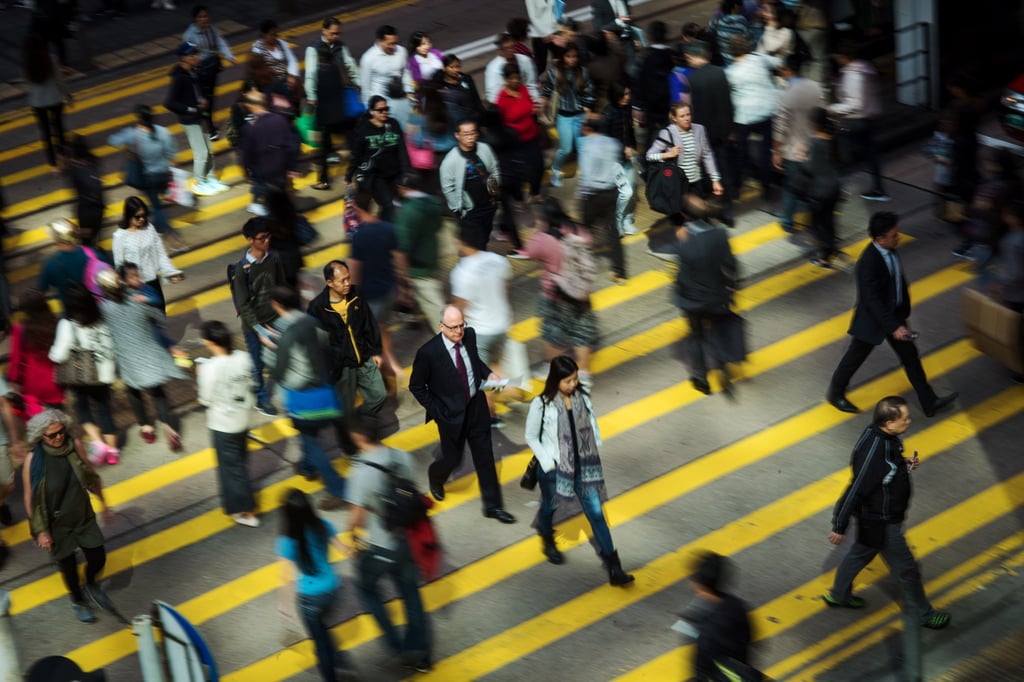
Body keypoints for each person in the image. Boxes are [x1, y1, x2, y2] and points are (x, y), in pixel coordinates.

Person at [826, 396, 952, 634]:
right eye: (904, 418)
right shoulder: (876, 451)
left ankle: (839, 594)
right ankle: (925, 614)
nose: (909, 421)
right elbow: (856, 487)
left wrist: (903, 464)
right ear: (889, 422)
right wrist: (839, 525)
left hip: (876, 518)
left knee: (860, 553)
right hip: (882, 522)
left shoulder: (882, 437)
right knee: (907, 570)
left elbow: (885, 467)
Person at [826, 212, 959, 416]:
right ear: (880, 239)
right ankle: (835, 393)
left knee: (911, 358)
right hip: (874, 320)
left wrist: (900, 313)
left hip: (894, 315)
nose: (898, 238)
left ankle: (929, 402)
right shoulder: (868, 262)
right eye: (893, 235)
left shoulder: (890, 250)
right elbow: (872, 301)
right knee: (855, 357)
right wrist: (894, 327)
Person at [524, 355, 634, 585]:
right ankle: (547, 538)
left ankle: (614, 568)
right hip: (555, 468)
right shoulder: (541, 404)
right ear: (556, 381)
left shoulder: (581, 396)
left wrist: (593, 444)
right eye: (568, 381)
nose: (573, 384)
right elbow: (531, 437)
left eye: (575, 379)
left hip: (584, 466)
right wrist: (547, 463)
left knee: (596, 514)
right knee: (549, 506)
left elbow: (590, 421)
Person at [409, 305, 516, 524]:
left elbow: (474, 362)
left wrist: (489, 374)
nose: (459, 331)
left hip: (476, 407)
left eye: (461, 325)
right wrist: (438, 411)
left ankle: (493, 506)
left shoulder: (470, 336)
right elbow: (416, 386)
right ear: (441, 327)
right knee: (453, 459)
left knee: (486, 458)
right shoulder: (428, 353)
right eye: (453, 327)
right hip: (450, 416)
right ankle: (436, 476)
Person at [344, 419, 432, 674]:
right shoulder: (401, 457)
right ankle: (421, 654)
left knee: (366, 589)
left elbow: (357, 518)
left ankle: (397, 646)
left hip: (380, 545)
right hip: (407, 539)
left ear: (358, 435)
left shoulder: (359, 472)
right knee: (411, 595)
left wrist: (351, 536)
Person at [23, 409, 113, 623]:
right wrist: (41, 531)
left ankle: (91, 583)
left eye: (60, 431)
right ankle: (78, 600)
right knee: (68, 567)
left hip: (82, 514)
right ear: (40, 437)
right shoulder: (33, 459)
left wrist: (104, 503)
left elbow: (91, 476)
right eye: (51, 435)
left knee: (98, 556)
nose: (58, 437)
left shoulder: (75, 446)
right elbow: (30, 497)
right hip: (56, 524)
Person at [265, 287, 349, 511]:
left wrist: (272, 346)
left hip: (303, 397)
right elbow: (328, 348)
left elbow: (280, 370)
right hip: (326, 391)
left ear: (277, 305)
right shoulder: (314, 322)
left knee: (311, 442)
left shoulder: (288, 334)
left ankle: (337, 488)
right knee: (308, 438)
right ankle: (306, 467)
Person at [97, 270, 186, 450]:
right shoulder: (136, 303)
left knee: (134, 392)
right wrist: (145, 301)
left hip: (126, 359)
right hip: (149, 354)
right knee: (158, 393)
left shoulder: (103, 310)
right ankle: (169, 428)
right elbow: (160, 319)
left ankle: (146, 427)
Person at [276, 488, 357, 681]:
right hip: (331, 588)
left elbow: (285, 578)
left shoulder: (287, 541)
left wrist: (284, 606)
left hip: (310, 598)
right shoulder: (322, 525)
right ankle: (340, 662)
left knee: (319, 643)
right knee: (322, 628)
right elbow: (345, 550)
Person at [524, 197, 598, 379]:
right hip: (581, 292)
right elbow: (589, 246)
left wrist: (538, 230)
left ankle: (553, 369)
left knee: (552, 333)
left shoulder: (544, 238)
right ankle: (584, 373)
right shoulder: (579, 230)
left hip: (556, 295)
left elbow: (529, 252)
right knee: (582, 332)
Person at [672, 197, 739, 397]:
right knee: (717, 332)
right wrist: (733, 289)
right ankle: (723, 366)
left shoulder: (684, 242)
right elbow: (732, 266)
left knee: (696, 337)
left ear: (684, 216)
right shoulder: (720, 235)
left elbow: (682, 277)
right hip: (717, 296)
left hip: (692, 301)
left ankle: (701, 379)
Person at [308, 260, 387, 425]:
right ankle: (351, 436)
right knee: (346, 409)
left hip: (364, 356)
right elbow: (316, 342)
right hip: (342, 367)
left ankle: (362, 421)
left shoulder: (357, 294)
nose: (347, 283)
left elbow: (369, 323)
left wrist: (376, 351)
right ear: (329, 282)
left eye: (348, 278)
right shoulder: (317, 308)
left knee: (379, 395)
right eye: (342, 280)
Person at [48, 282, 119, 466]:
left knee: (83, 410)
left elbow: (60, 353)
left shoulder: (68, 324)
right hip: (105, 371)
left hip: (82, 376)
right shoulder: (101, 316)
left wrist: (52, 355)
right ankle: (113, 452)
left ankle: (98, 442)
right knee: (104, 410)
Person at [197, 320, 259, 528]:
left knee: (232, 469)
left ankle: (246, 510)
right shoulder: (243, 357)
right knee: (239, 461)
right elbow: (251, 383)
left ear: (209, 342)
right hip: (243, 418)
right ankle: (239, 504)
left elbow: (205, 399)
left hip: (222, 424)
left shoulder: (209, 368)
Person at [450, 227, 514, 425]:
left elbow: (460, 308)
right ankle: (508, 393)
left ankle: (492, 415)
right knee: (494, 369)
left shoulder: (461, 272)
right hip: (501, 325)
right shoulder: (498, 260)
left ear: (461, 242)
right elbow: (505, 289)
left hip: (480, 333)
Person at [347, 196, 407, 384]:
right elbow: (400, 260)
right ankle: (392, 363)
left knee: (371, 336)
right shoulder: (389, 228)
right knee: (383, 328)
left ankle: (383, 371)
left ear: (356, 207)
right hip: (389, 290)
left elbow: (355, 271)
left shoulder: (359, 236)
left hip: (370, 296)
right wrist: (403, 285)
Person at [232, 217, 286, 416]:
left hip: (275, 319)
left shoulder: (274, 259)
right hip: (253, 326)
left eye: (268, 237)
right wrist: (260, 330)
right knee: (258, 364)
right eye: (261, 238)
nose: (266, 242)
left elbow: (281, 287)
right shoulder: (242, 270)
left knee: (282, 356)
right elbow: (243, 305)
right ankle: (261, 397)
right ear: (249, 240)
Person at [108, 105, 181, 246]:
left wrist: (128, 147)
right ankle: (159, 226)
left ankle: (172, 234)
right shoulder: (163, 132)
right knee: (157, 203)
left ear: (139, 119)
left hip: (148, 178)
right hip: (164, 175)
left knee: (156, 207)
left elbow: (112, 140)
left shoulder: (133, 134)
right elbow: (171, 155)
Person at [305, 17, 361, 191]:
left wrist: (358, 83)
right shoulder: (313, 49)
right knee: (326, 142)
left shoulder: (340, 47)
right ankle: (325, 179)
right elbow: (310, 74)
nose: (335, 36)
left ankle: (358, 172)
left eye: (338, 33)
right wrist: (311, 95)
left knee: (350, 139)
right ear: (324, 31)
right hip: (325, 100)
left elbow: (350, 65)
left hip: (340, 98)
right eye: (332, 33)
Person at [165, 41, 228, 197]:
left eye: (196, 54)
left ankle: (210, 178)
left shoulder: (193, 71)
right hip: (190, 120)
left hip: (201, 116)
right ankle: (199, 183)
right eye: (192, 55)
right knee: (201, 153)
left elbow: (196, 92)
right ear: (183, 58)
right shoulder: (179, 77)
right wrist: (191, 109)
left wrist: (202, 101)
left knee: (209, 150)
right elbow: (169, 103)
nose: (196, 57)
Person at [772, 53, 824, 236]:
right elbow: (822, 114)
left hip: (792, 150)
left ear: (787, 70)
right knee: (813, 185)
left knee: (791, 186)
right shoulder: (815, 88)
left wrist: (776, 151)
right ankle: (816, 221)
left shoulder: (785, 96)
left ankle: (787, 221)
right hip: (813, 146)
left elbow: (780, 128)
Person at [493, 62, 544, 250]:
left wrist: (534, 109)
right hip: (516, 143)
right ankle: (520, 198)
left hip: (532, 137)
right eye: (511, 78)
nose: (515, 81)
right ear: (505, 79)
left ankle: (534, 191)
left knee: (538, 165)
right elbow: (502, 122)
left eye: (517, 77)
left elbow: (530, 105)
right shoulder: (501, 99)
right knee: (523, 171)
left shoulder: (523, 89)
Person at [828, 41, 888, 201]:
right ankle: (878, 189)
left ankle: (835, 191)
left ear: (844, 57)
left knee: (841, 156)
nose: (836, 59)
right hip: (869, 119)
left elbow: (855, 103)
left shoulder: (854, 75)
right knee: (870, 155)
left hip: (854, 121)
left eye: (837, 57)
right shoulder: (866, 69)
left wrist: (834, 108)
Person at [684, 40, 734, 225]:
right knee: (724, 171)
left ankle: (706, 212)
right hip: (721, 133)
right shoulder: (720, 72)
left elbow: (694, 112)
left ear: (693, 56)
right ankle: (727, 211)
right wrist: (729, 129)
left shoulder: (693, 80)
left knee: (706, 174)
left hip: (703, 136)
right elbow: (727, 104)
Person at [645, 101, 724, 216]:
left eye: (688, 114)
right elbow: (649, 155)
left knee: (698, 215)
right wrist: (668, 154)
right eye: (682, 116)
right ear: (674, 118)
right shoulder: (667, 133)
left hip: (696, 181)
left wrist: (715, 180)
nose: (687, 118)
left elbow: (707, 155)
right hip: (678, 185)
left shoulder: (700, 129)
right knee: (688, 216)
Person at [725, 34, 778, 201]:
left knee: (740, 153)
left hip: (744, 116)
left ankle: (737, 187)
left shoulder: (730, 72)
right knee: (766, 150)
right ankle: (767, 187)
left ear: (730, 52)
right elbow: (779, 63)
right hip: (767, 111)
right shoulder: (759, 59)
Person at [687, 552, 756, 681]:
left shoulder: (706, 627)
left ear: (700, 585)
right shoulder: (737, 605)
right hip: (742, 670)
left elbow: (702, 669)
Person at [112, 196, 184, 313]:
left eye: (144, 216)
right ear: (129, 216)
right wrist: (126, 290)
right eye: (137, 217)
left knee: (160, 315)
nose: (141, 219)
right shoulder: (120, 236)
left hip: (153, 282)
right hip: (135, 287)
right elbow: (119, 265)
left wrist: (171, 272)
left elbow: (160, 254)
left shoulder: (149, 229)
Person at [345, 95, 410, 223]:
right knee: (388, 206)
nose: (385, 112)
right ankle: (382, 232)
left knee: (390, 207)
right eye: (380, 110)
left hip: (393, 174)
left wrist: (405, 171)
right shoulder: (363, 130)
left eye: (387, 108)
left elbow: (402, 149)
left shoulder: (393, 124)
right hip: (375, 176)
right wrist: (349, 176)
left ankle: (381, 228)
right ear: (371, 112)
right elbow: (356, 155)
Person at [578, 116, 627, 283]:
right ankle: (620, 272)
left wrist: (582, 197)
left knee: (583, 231)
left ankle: (581, 269)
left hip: (592, 195)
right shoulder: (614, 143)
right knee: (613, 232)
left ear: (588, 128)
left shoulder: (586, 146)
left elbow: (586, 173)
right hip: (611, 192)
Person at [439, 119, 500, 249]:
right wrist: (458, 209)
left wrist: (496, 187)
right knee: (475, 243)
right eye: (466, 134)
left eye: (473, 133)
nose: (471, 137)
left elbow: (494, 168)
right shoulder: (451, 160)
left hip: (490, 204)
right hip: (470, 210)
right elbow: (448, 188)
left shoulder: (485, 149)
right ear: (457, 135)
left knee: (485, 237)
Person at [239, 90, 301, 216]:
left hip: (262, 173)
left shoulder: (250, 127)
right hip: (280, 169)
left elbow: (246, 155)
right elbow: (292, 145)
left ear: (251, 106)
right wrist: (292, 167)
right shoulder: (280, 120)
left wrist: (247, 173)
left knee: (272, 205)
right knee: (280, 198)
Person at [794, 107, 842, 268]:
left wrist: (801, 156)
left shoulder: (815, 143)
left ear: (814, 124)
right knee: (828, 220)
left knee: (818, 223)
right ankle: (831, 247)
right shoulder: (832, 137)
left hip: (820, 191)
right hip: (834, 187)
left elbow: (811, 168)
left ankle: (824, 256)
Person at [542, 43, 595, 188]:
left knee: (582, 148)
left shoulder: (583, 72)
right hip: (563, 117)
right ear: (562, 57)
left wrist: (587, 109)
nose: (572, 59)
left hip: (579, 115)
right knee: (565, 149)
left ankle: (587, 176)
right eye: (568, 56)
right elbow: (546, 91)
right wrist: (543, 104)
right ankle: (556, 170)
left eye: (575, 56)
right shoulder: (555, 73)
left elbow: (590, 91)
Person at [182, 5, 238, 139]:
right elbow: (186, 55)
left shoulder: (212, 29)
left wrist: (229, 56)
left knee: (210, 98)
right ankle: (211, 128)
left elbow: (220, 43)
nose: (204, 19)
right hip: (199, 72)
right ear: (195, 19)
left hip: (212, 69)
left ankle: (205, 120)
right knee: (205, 99)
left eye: (206, 16)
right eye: (200, 17)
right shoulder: (189, 35)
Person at [394, 173, 445, 322]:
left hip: (416, 264)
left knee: (433, 303)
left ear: (403, 189)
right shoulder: (434, 202)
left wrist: (402, 274)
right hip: (432, 255)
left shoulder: (407, 211)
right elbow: (439, 226)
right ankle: (411, 313)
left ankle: (448, 336)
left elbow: (401, 246)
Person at [7, 289, 65, 419]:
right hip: (57, 381)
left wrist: (13, 382)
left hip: (32, 385)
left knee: (40, 423)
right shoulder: (56, 323)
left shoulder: (20, 329)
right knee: (60, 421)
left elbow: (16, 360)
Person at [23, 31, 71, 167]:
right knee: (59, 129)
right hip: (54, 99)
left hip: (37, 103)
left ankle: (53, 164)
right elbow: (59, 80)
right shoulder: (50, 58)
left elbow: (28, 83)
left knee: (46, 133)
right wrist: (68, 96)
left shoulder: (27, 64)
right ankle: (63, 156)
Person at [601, 81, 639, 236]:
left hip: (627, 158)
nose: (627, 97)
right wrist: (623, 149)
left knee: (631, 189)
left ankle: (627, 220)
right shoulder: (608, 113)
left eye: (629, 94)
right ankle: (617, 221)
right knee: (626, 192)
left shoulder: (627, 109)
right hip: (614, 161)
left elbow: (629, 131)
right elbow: (605, 141)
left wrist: (631, 146)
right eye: (624, 94)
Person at [38, 218, 100, 309]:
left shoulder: (50, 264)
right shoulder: (93, 253)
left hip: (71, 311)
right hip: (96, 307)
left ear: (56, 241)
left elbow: (41, 291)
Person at [360, 25, 414, 129]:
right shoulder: (368, 58)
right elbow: (366, 87)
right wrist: (370, 110)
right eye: (390, 44)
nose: (393, 47)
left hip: (400, 99)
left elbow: (406, 72)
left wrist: (409, 91)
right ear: (379, 41)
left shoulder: (402, 51)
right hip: (381, 105)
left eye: (395, 43)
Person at [57, 135, 104, 248]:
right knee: (93, 237)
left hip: (86, 210)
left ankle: (94, 260)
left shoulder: (75, 168)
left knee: (86, 242)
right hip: (99, 208)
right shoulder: (92, 161)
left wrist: (63, 163)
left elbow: (63, 172)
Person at [633, 21, 675, 144]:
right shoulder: (672, 56)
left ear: (649, 37)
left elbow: (637, 83)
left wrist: (638, 106)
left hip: (650, 105)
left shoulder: (644, 57)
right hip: (669, 104)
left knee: (649, 137)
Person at [484, 32, 540, 104]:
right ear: (500, 51)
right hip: (506, 105)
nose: (511, 50)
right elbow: (493, 95)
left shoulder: (525, 60)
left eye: (512, 47)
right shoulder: (492, 69)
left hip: (527, 101)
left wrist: (536, 101)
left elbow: (531, 84)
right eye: (506, 48)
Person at [433, 54, 485, 126]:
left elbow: (476, 99)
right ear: (444, 68)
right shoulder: (441, 86)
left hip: (474, 118)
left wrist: (483, 120)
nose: (455, 70)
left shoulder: (466, 78)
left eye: (457, 67)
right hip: (457, 123)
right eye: (451, 67)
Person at [251, 19, 300, 86]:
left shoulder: (282, 43)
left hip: (286, 80)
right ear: (264, 35)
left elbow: (292, 60)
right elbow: (259, 68)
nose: (275, 37)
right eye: (272, 35)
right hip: (269, 83)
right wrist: (274, 72)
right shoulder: (257, 49)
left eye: (276, 34)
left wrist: (292, 75)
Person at [525, 0, 563, 73]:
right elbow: (532, 17)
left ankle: (558, 80)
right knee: (541, 66)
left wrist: (558, 28)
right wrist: (545, 33)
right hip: (539, 35)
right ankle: (530, 82)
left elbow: (554, 10)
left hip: (554, 31)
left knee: (559, 60)